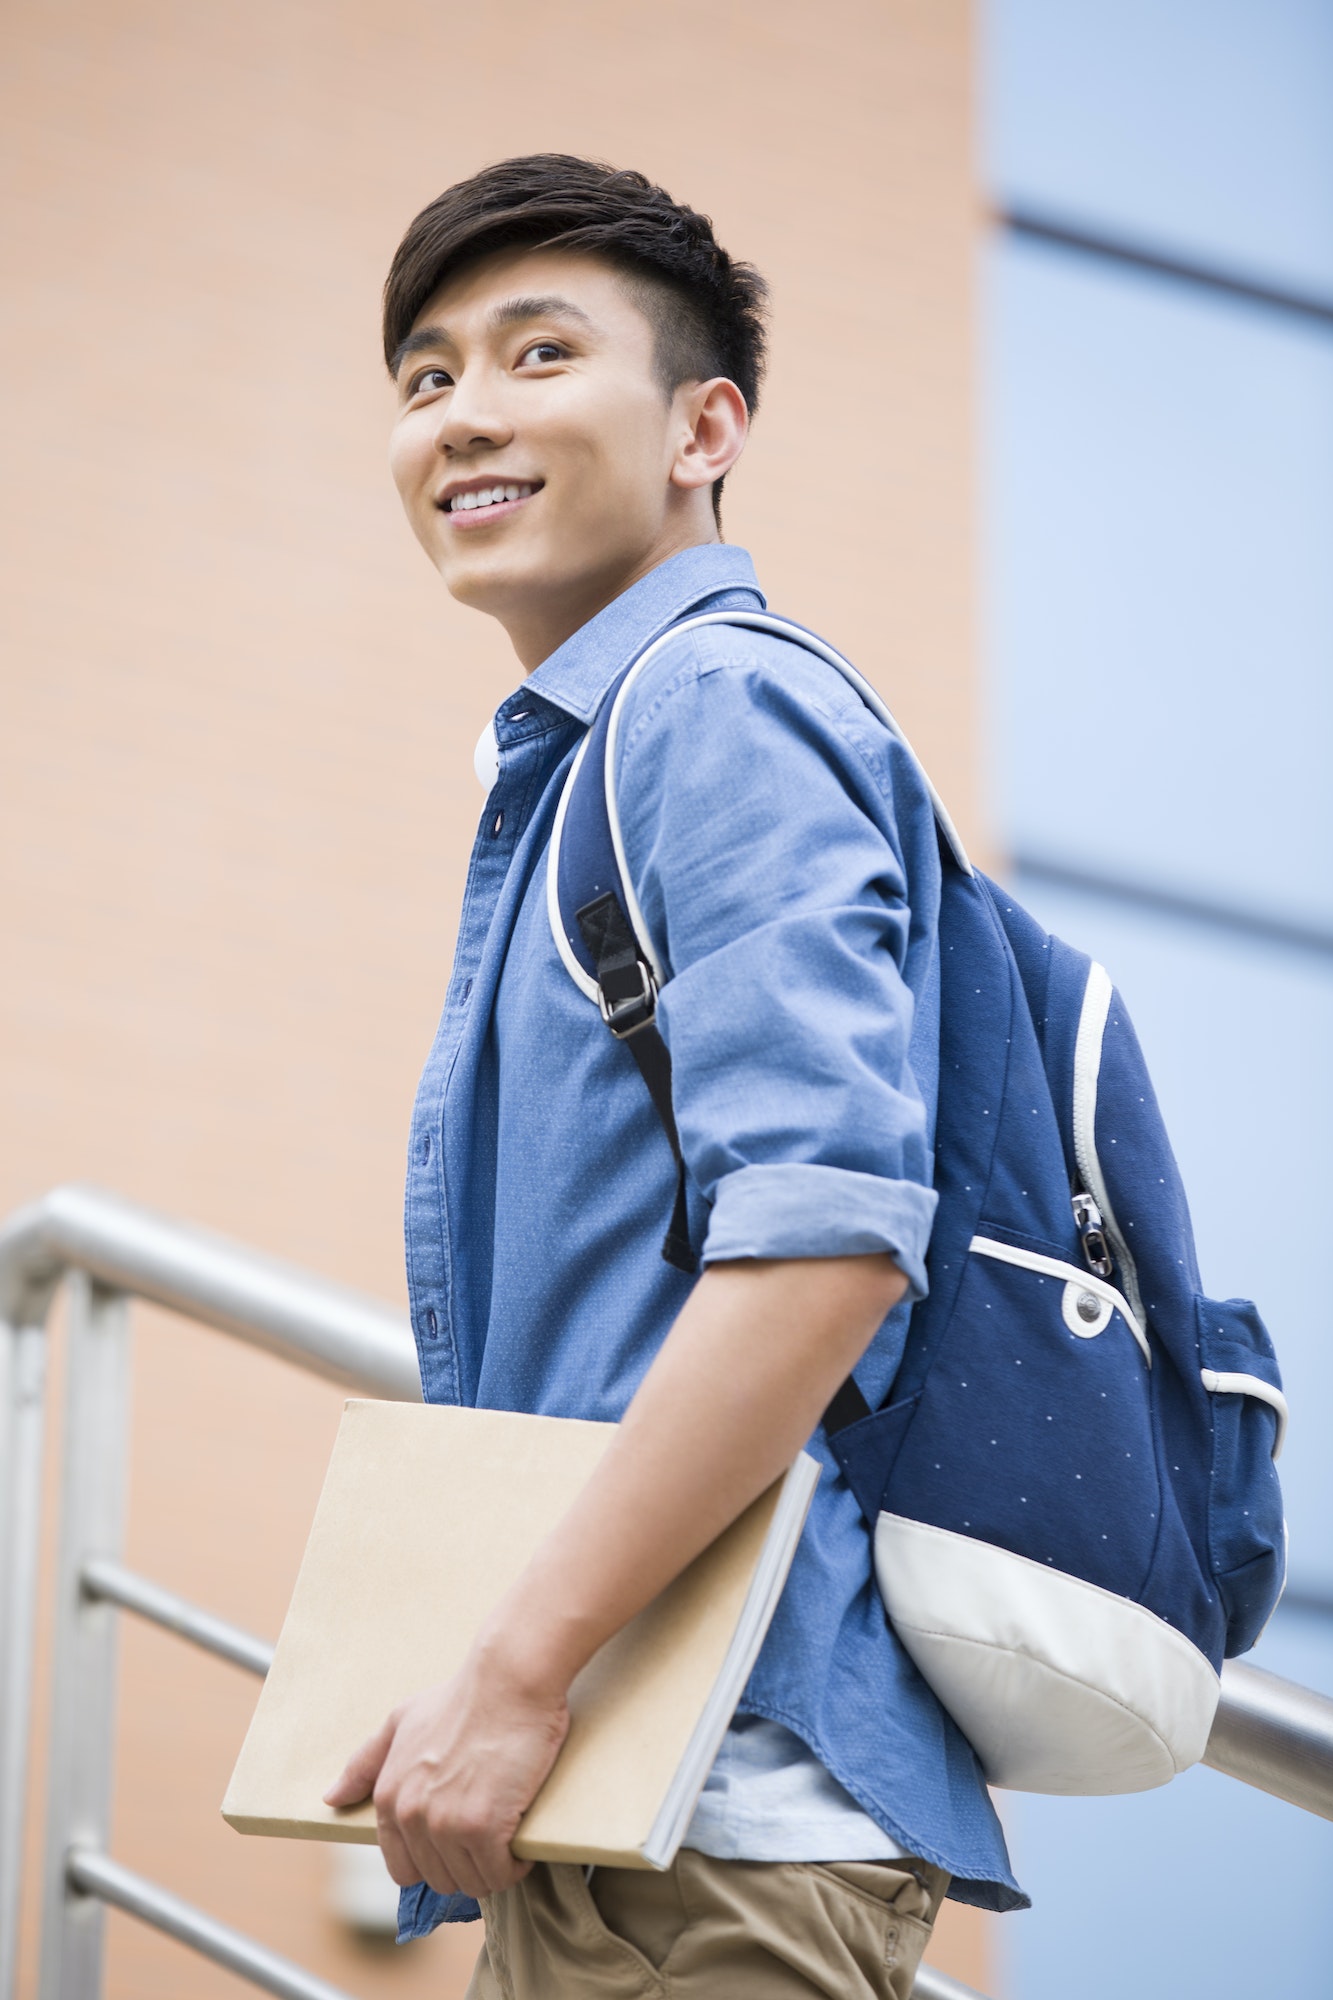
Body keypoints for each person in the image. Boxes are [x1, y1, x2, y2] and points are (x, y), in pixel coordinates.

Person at [324, 154, 1024, 1999]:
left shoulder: (712, 706)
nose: (463, 414)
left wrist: (511, 1668)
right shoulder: (598, 753)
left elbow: (825, 1240)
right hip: (638, 1802)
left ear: (704, 423)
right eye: (424, 377)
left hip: (714, 1816)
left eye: (537, 354)